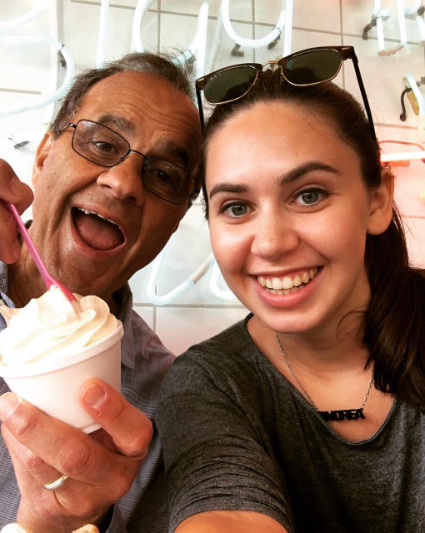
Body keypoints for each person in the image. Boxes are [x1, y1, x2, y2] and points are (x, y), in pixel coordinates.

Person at [156, 46, 425, 533]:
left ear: (377, 201)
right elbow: (225, 511)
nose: (273, 243)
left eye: (309, 195)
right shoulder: (210, 382)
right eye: (236, 207)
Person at [0, 52, 201, 533]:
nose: (122, 182)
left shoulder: (170, 405)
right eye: (101, 143)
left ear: (176, 221)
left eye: (163, 175)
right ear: (43, 156)